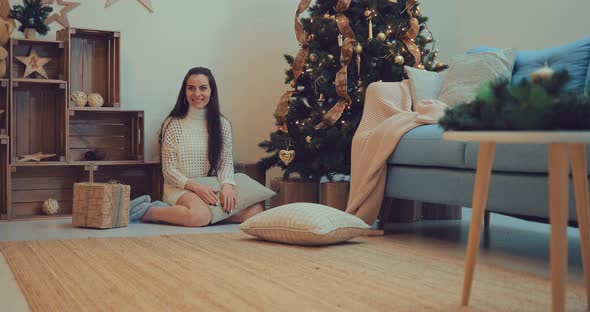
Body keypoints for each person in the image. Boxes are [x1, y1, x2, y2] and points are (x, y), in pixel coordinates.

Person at [136, 67, 264, 226]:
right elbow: (169, 171)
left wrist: (227, 186)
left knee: (256, 210)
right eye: (191, 88)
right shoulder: (172, 124)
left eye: (203, 88)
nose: (197, 94)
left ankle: (205, 215)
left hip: (211, 187)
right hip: (181, 188)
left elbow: (225, 163)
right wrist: (196, 188)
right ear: (185, 92)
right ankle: (149, 211)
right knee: (199, 216)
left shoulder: (222, 124)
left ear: (211, 91)